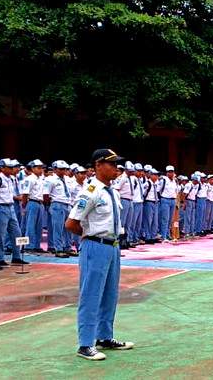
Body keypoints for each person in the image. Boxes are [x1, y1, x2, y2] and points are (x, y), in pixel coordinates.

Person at [65, 148, 134, 361]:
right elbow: (71, 223)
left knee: (110, 294)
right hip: (95, 246)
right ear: (97, 165)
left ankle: (104, 336)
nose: (116, 169)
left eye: (117, 165)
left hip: (112, 246)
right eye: (112, 164)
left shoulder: (112, 192)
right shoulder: (90, 191)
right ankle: (85, 344)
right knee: (91, 294)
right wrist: (90, 237)